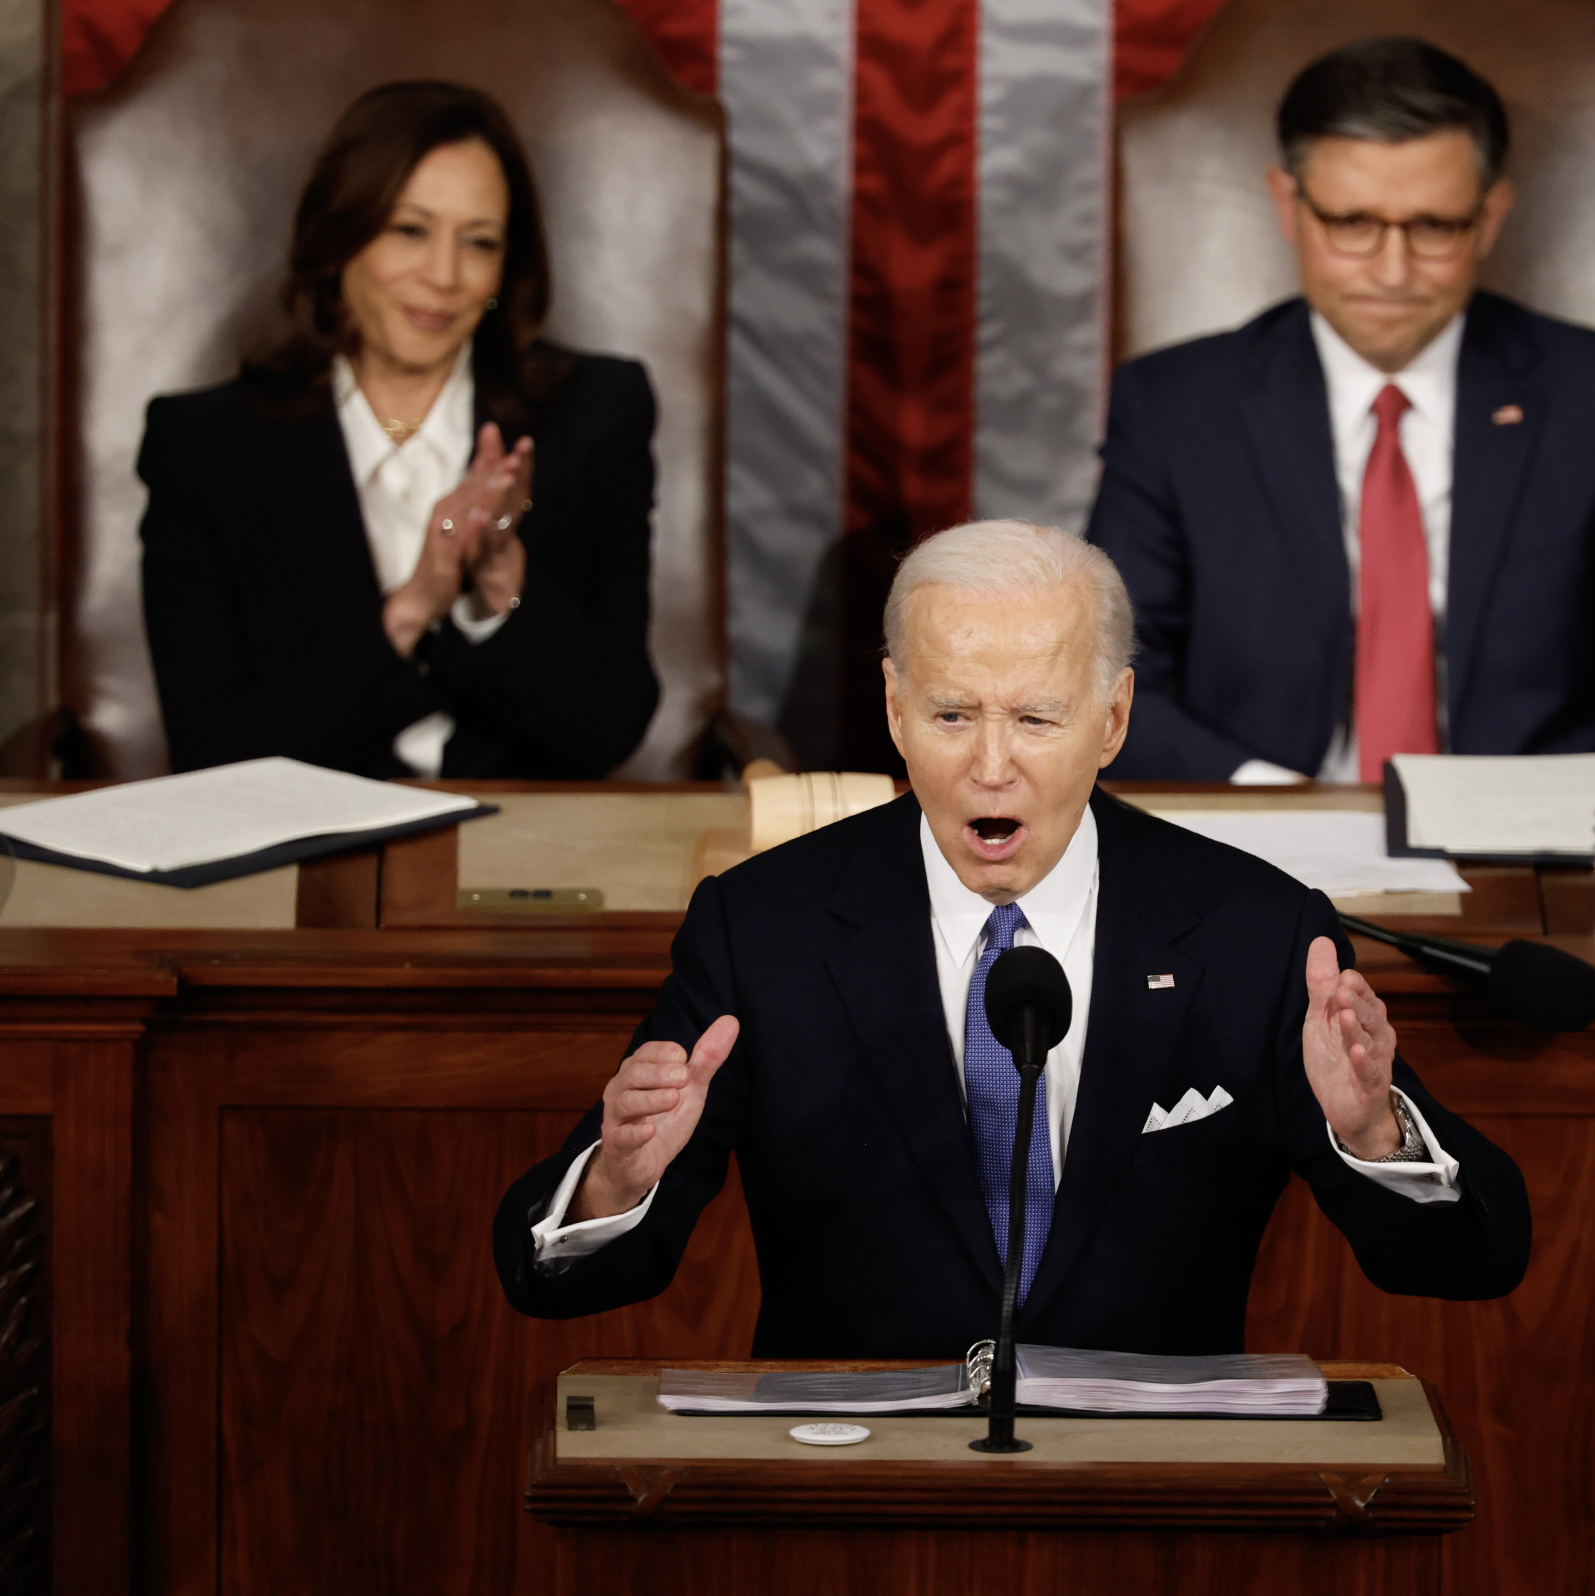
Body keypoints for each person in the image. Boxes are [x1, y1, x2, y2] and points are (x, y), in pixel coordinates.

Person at [494, 519, 1528, 1358]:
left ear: (1112, 719)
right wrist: (617, 1181)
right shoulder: (762, 926)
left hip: (1159, 1502)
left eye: (1035, 719)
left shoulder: (1255, 931)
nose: (991, 765)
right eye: (950, 715)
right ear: (893, 709)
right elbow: (551, 1278)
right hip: (849, 1495)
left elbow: (1472, 1257)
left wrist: (1376, 1133)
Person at [1088, 36, 1595, 784]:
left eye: (1434, 228)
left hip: (1530, 856)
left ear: (1491, 216)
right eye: (1353, 223)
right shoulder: (1175, 408)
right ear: (1288, 206)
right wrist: (1278, 805)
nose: (1392, 270)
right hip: (1260, 843)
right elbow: (1105, 689)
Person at [138, 80, 659, 780]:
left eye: (478, 243)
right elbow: (214, 753)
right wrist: (411, 610)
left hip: (530, 856)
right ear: (338, 241)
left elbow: (612, 727)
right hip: (299, 854)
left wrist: (503, 588)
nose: (443, 275)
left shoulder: (596, 413)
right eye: (409, 230)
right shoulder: (205, 445)